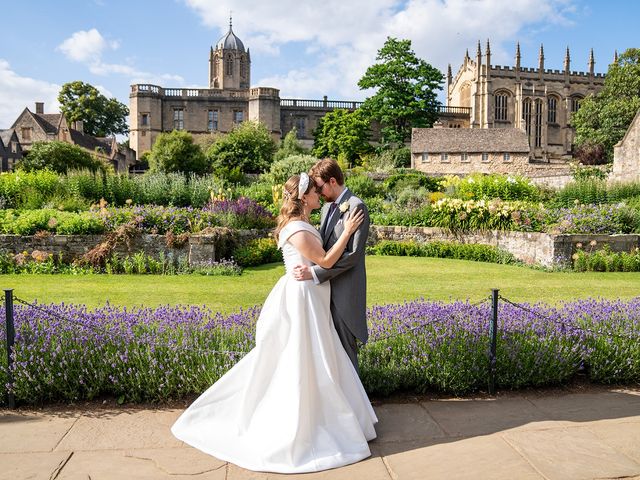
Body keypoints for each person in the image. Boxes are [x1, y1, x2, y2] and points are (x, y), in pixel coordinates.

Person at [171, 173, 378, 474]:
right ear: (304, 197)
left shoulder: (305, 222)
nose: (319, 195)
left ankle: (329, 415)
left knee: (322, 357)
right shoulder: (296, 227)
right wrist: (346, 233)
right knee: (304, 359)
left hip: (313, 295)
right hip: (303, 297)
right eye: (315, 192)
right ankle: (308, 424)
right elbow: (325, 261)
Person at [293, 158, 369, 373]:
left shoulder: (356, 206)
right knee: (328, 354)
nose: (318, 190)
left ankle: (356, 405)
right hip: (322, 295)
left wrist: (315, 272)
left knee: (346, 353)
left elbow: (352, 255)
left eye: (319, 186)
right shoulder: (327, 208)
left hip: (344, 293)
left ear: (332, 181)